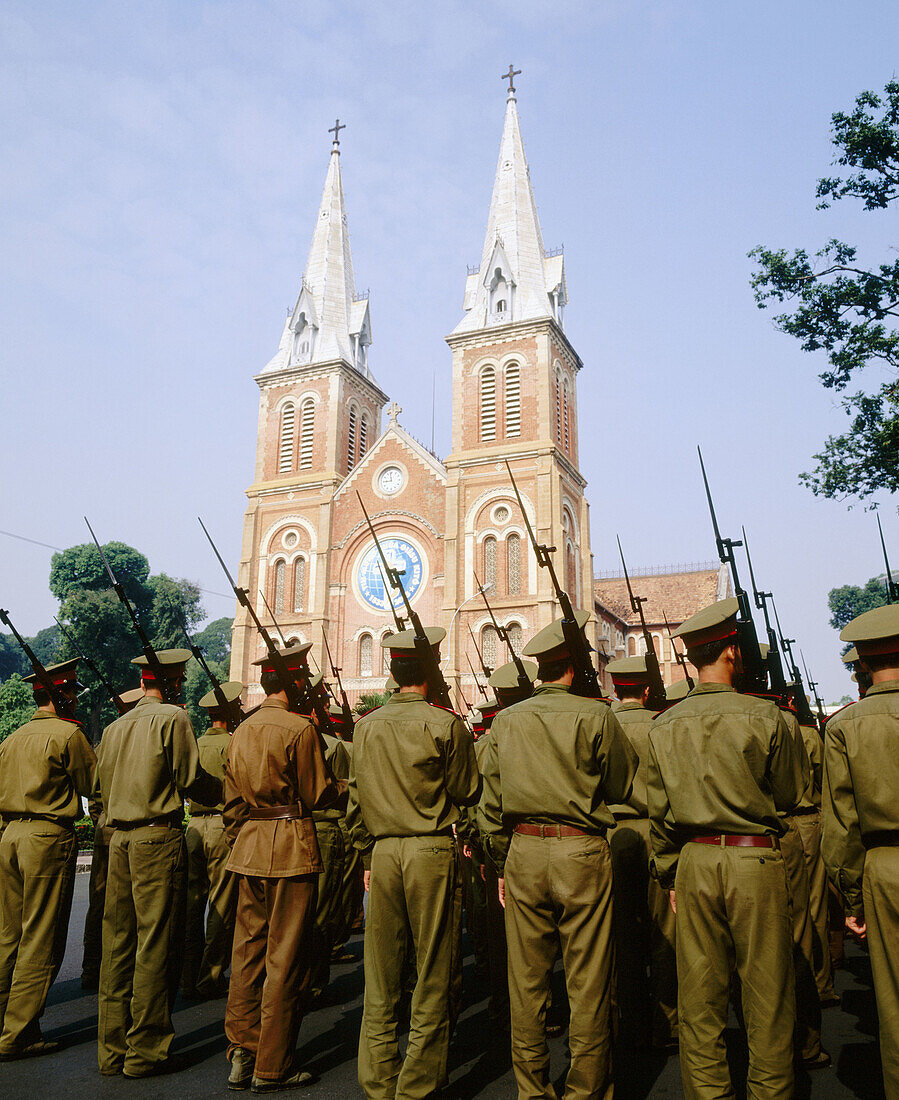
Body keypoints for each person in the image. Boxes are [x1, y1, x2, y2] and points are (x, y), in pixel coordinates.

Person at [647, 598, 806, 1099]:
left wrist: (671, 872)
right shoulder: (768, 717)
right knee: (768, 999)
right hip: (754, 856)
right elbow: (791, 795)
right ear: (734, 651)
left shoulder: (663, 725)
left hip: (693, 862)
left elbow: (660, 812)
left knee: (699, 1000)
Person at [479, 611, 638, 1100]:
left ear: (539, 670)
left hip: (523, 849)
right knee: (588, 981)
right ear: (572, 668)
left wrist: (504, 859)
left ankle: (532, 1090)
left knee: (526, 982)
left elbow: (490, 805)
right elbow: (621, 786)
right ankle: (586, 1090)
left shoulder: (505, 722)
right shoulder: (596, 715)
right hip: (581, 850)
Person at [347, 626, 480, 1100]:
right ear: (431, 670)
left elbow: (355, 800)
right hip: (430, 852)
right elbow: (467, 791)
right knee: (433, 971)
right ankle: (419, 1085)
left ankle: (379, 1079)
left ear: (391, 671)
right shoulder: (445, 725)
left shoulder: (365, 727)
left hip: (383, 854)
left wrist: (367, 851)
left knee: (381, 972)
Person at [94, 648, 222, 1078]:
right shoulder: (173, 719)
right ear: (173, 682)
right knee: (155, 944)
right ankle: (146, 1050)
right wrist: (227, 793)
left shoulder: (113, 727)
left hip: (118, 840)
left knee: (118, 944)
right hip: (157, 837)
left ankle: (111, 1051)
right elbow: (190, 780)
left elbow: (99, 788)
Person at [223, 644, 338, 1093]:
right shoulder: (300, 730)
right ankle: (272, 1065)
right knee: (284, 957)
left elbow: (233, 804)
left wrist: (245, 841)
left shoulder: (241, 731)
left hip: (250, 846)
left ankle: (240, 1050)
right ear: (295, 683)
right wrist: (344, 788)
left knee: (246, 953)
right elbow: (317, 793)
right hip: (289, 846)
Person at [0, 659, 96, 1060]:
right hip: (46, 837)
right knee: (41, 938)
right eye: (73, 691)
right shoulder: (68, 735)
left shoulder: (12, 737)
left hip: (8, 837)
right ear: (65, 695)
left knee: (7, 937)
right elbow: (95, 784)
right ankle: (17, 1034)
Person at [822, 604, 899, 1098]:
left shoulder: (846, 725)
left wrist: (852, 899)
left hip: (884, 866)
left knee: (891, 1005)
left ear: (863, 663)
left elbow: (843, 824)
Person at [605, 655, 678, 1050]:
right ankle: (667, 1023)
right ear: (647, 691)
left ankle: (626, 1022)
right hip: (657, 830)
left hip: (614, 834)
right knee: (664, 932)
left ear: (616, 690)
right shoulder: (661, 724)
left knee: (620, 933)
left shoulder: (603, 723)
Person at [181, 680, 244, 1001]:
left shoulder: (193, 743)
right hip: (222, 827)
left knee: (192, 905)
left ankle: (188, 974)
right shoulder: (233, 745)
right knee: (221, 904)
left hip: (193, 827)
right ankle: (211, 975)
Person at [81, 686, 142, 992]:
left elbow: (93, 794)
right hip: (123, 830)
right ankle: (116, 969)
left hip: (104, 828)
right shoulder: (136, 744)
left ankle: (92, 968)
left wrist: (99, 820)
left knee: (99, 901)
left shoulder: (105, 741)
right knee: (124, 904)